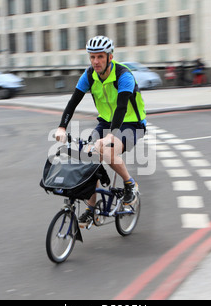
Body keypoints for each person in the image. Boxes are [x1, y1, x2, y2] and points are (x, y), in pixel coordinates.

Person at [54, 36, 147, 227]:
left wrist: (112, 135)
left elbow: (121, 107)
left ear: (110, 57)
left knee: (107, 150)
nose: (95, 61)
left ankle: (130, 184)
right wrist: (62, 127)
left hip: (131, 124)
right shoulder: (89, 75)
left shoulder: (124, 76)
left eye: (100, 57)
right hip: (105, 122)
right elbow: (73, 102)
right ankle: (91, 209)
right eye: (92, 57)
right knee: (89, 156)